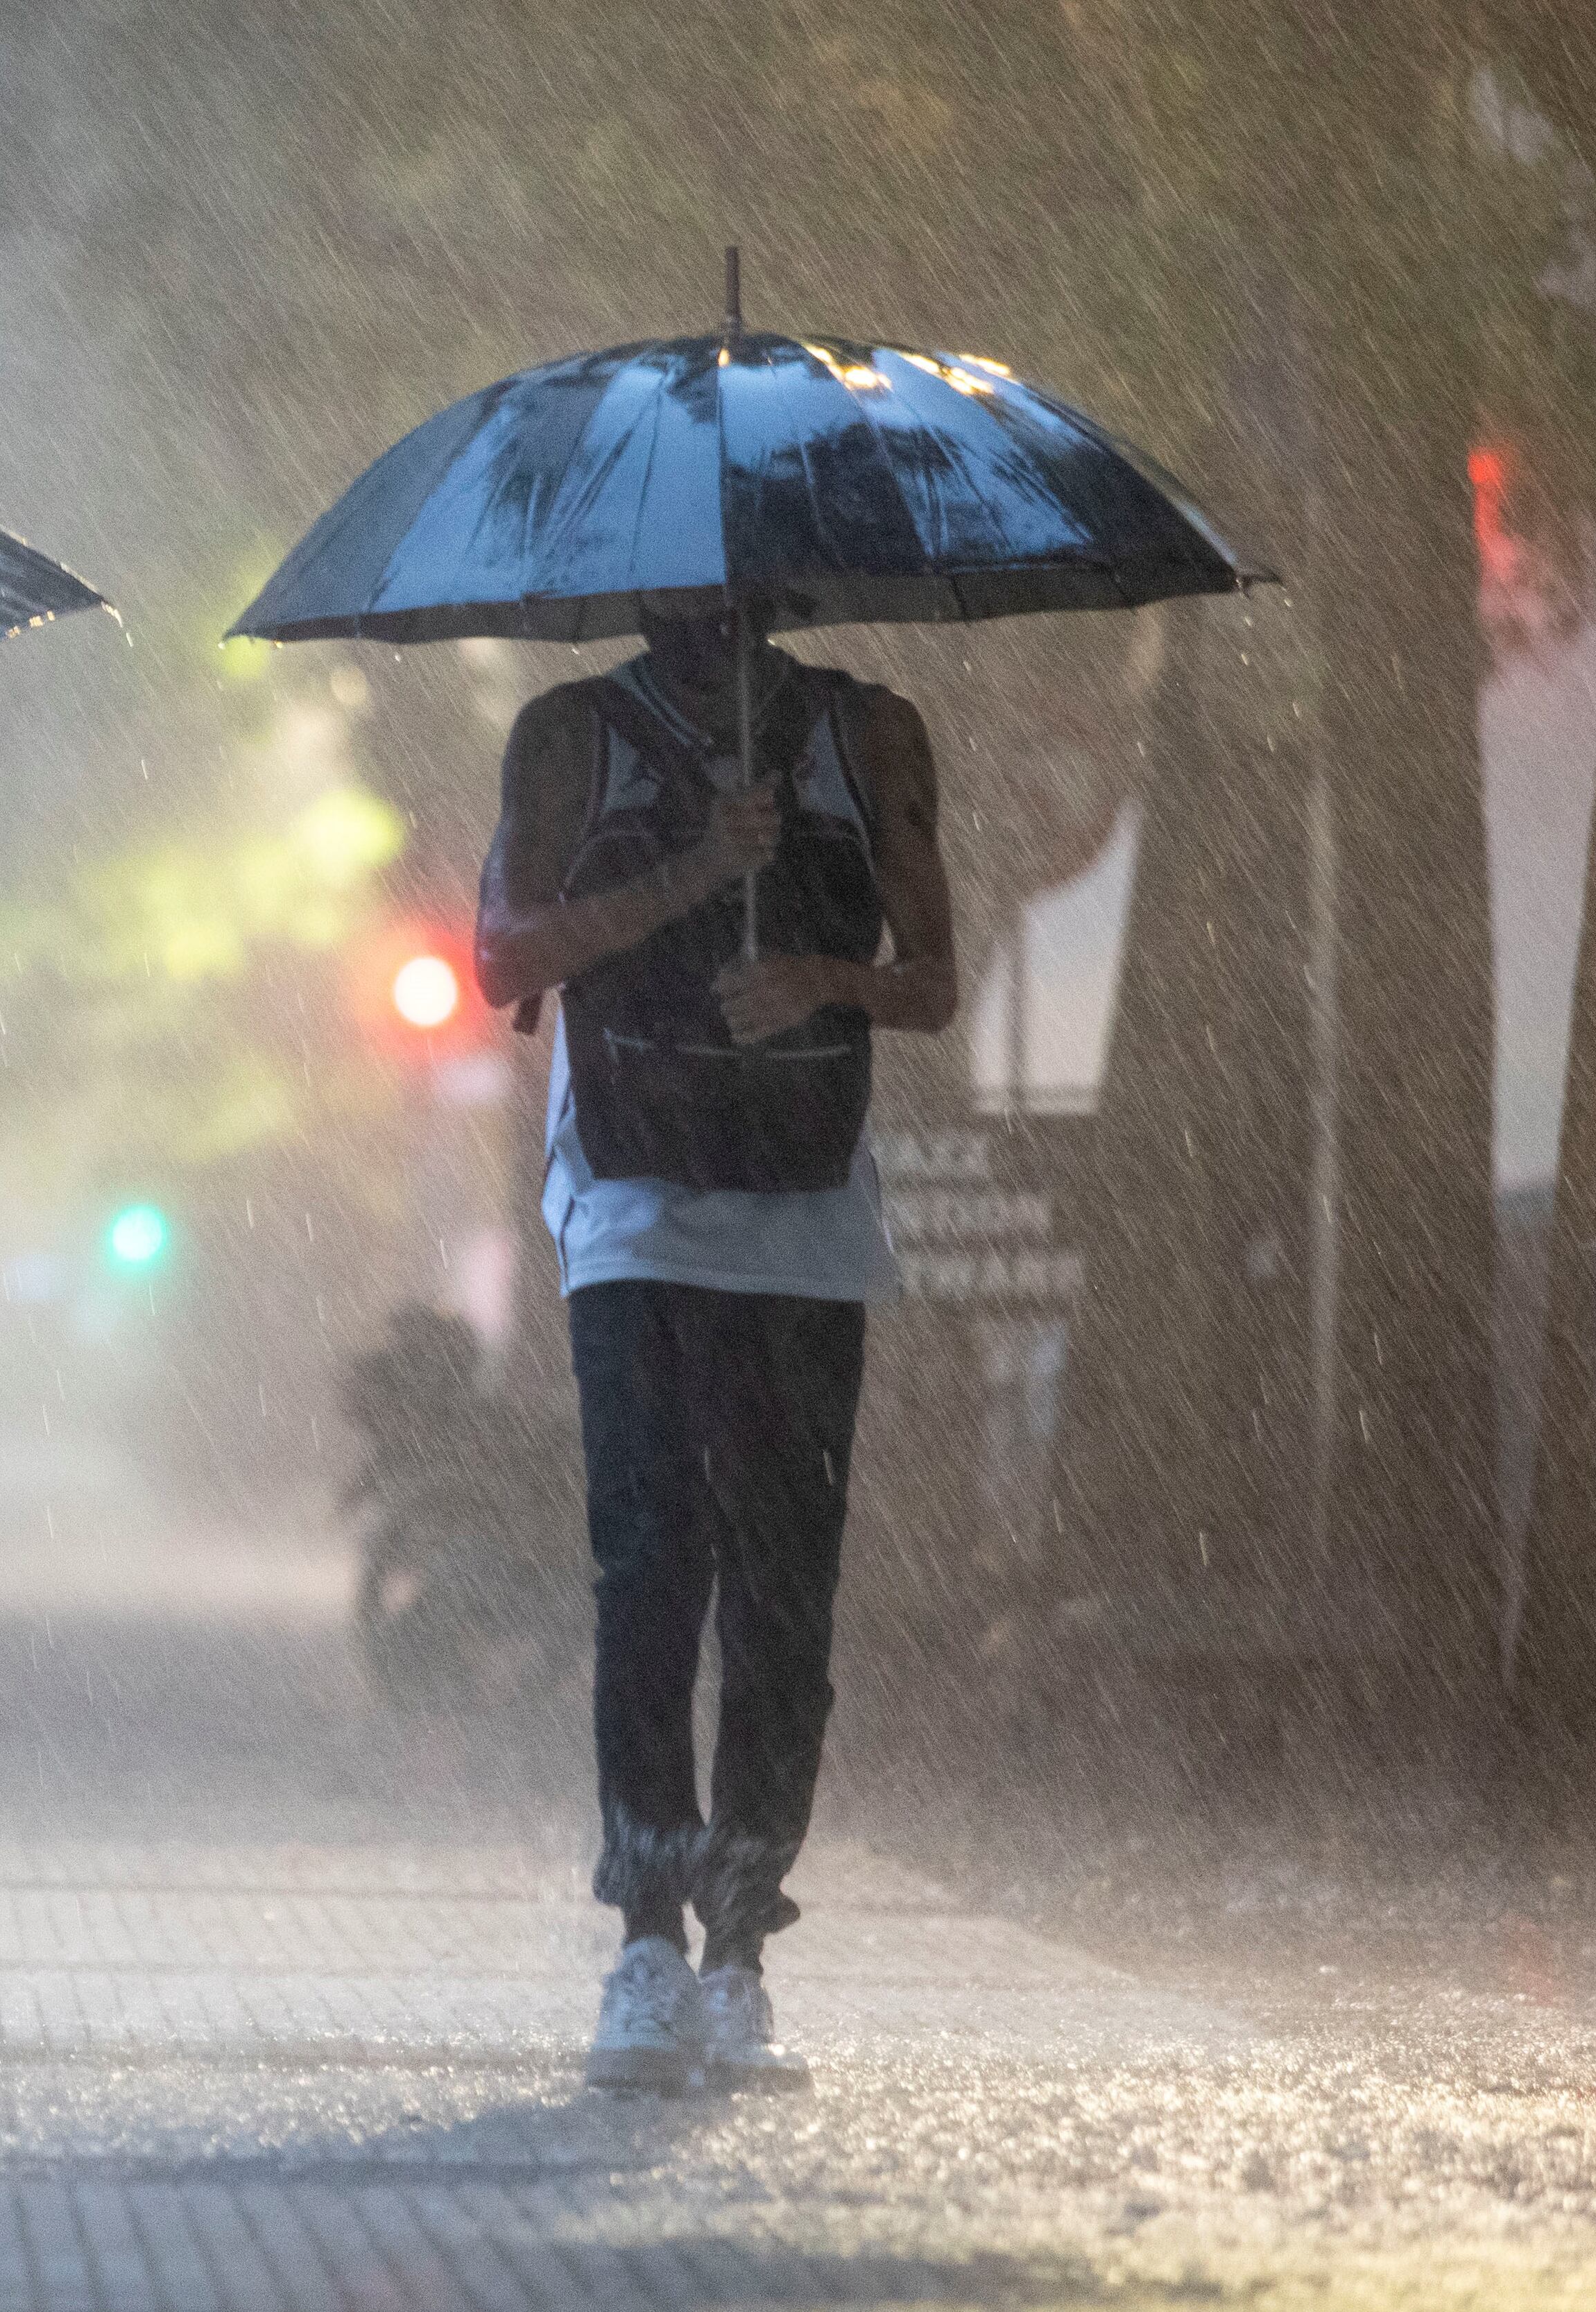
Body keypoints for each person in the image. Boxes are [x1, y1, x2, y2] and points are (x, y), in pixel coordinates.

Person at [474, 612, 956, 2095]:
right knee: (648, 1561)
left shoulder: (865, 733)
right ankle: (643, 1935)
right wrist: (693, 871)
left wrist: (819, 974)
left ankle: (741, 1944)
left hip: (804, 1219)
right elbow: (501, 953)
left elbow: (935, 979)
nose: (717, 607)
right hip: (632, 1208)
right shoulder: (571, 734)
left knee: (783, 1580)